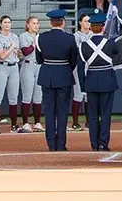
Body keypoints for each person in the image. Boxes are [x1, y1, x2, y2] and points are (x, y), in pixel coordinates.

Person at [35, 9, 77, 151]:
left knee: (49, 112)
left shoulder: (41, 37)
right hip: (64, 75)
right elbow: (73, 60)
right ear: (63, 22)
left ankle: (51, 144)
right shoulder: (70, 38)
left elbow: (39, 59)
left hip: (47, 75)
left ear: (51, 22)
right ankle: (61, 144)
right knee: (62, 112)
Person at [77, 17, 120, 151]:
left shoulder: (84, 46)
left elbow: (80, 69)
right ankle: (103, 143)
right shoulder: (110, 43)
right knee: (105, 114)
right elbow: (116, 53)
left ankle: (94, 144)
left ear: (90, 27)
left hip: (91, 82)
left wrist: (83, 87)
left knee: (93, 115)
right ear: (103, 27)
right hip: (107, 81)